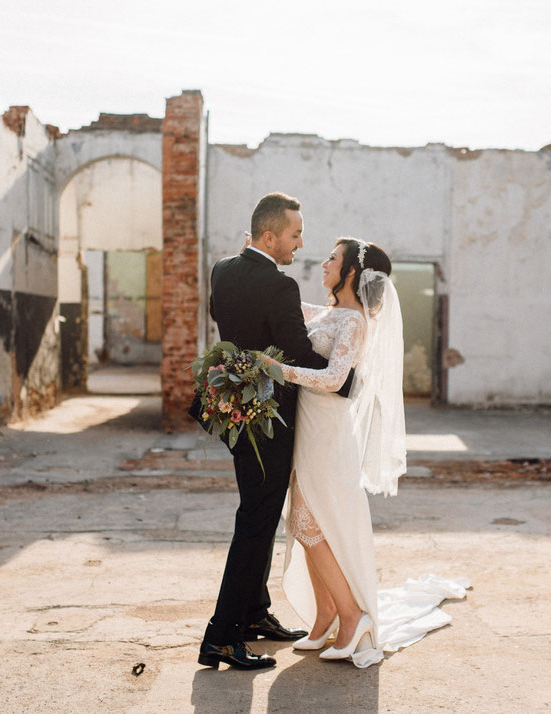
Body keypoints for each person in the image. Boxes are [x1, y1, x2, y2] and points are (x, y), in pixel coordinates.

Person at [264, 238, 469, 667]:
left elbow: (336, 377)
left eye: (332, 259)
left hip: (328, 429)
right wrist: (259, 263)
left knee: (307, 521)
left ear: (352, 272)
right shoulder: (330, 312)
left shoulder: (355, 321)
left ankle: (353, 616)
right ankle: (325, 618)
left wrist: (278, 371)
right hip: (310, 426)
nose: (322, 263)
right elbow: (289, 305)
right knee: (304, 521)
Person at [196, 192, 352, 671]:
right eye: (294, 234)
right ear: (269, 237)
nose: (299, 244)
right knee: (256, 521)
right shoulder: (280, 286)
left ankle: (255, 614)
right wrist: (348, 378)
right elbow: (297, 352)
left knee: (257, 512)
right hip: (269, 420)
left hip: (232, 413)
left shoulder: (223, 268)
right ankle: (222, 636)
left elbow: (215, 313)